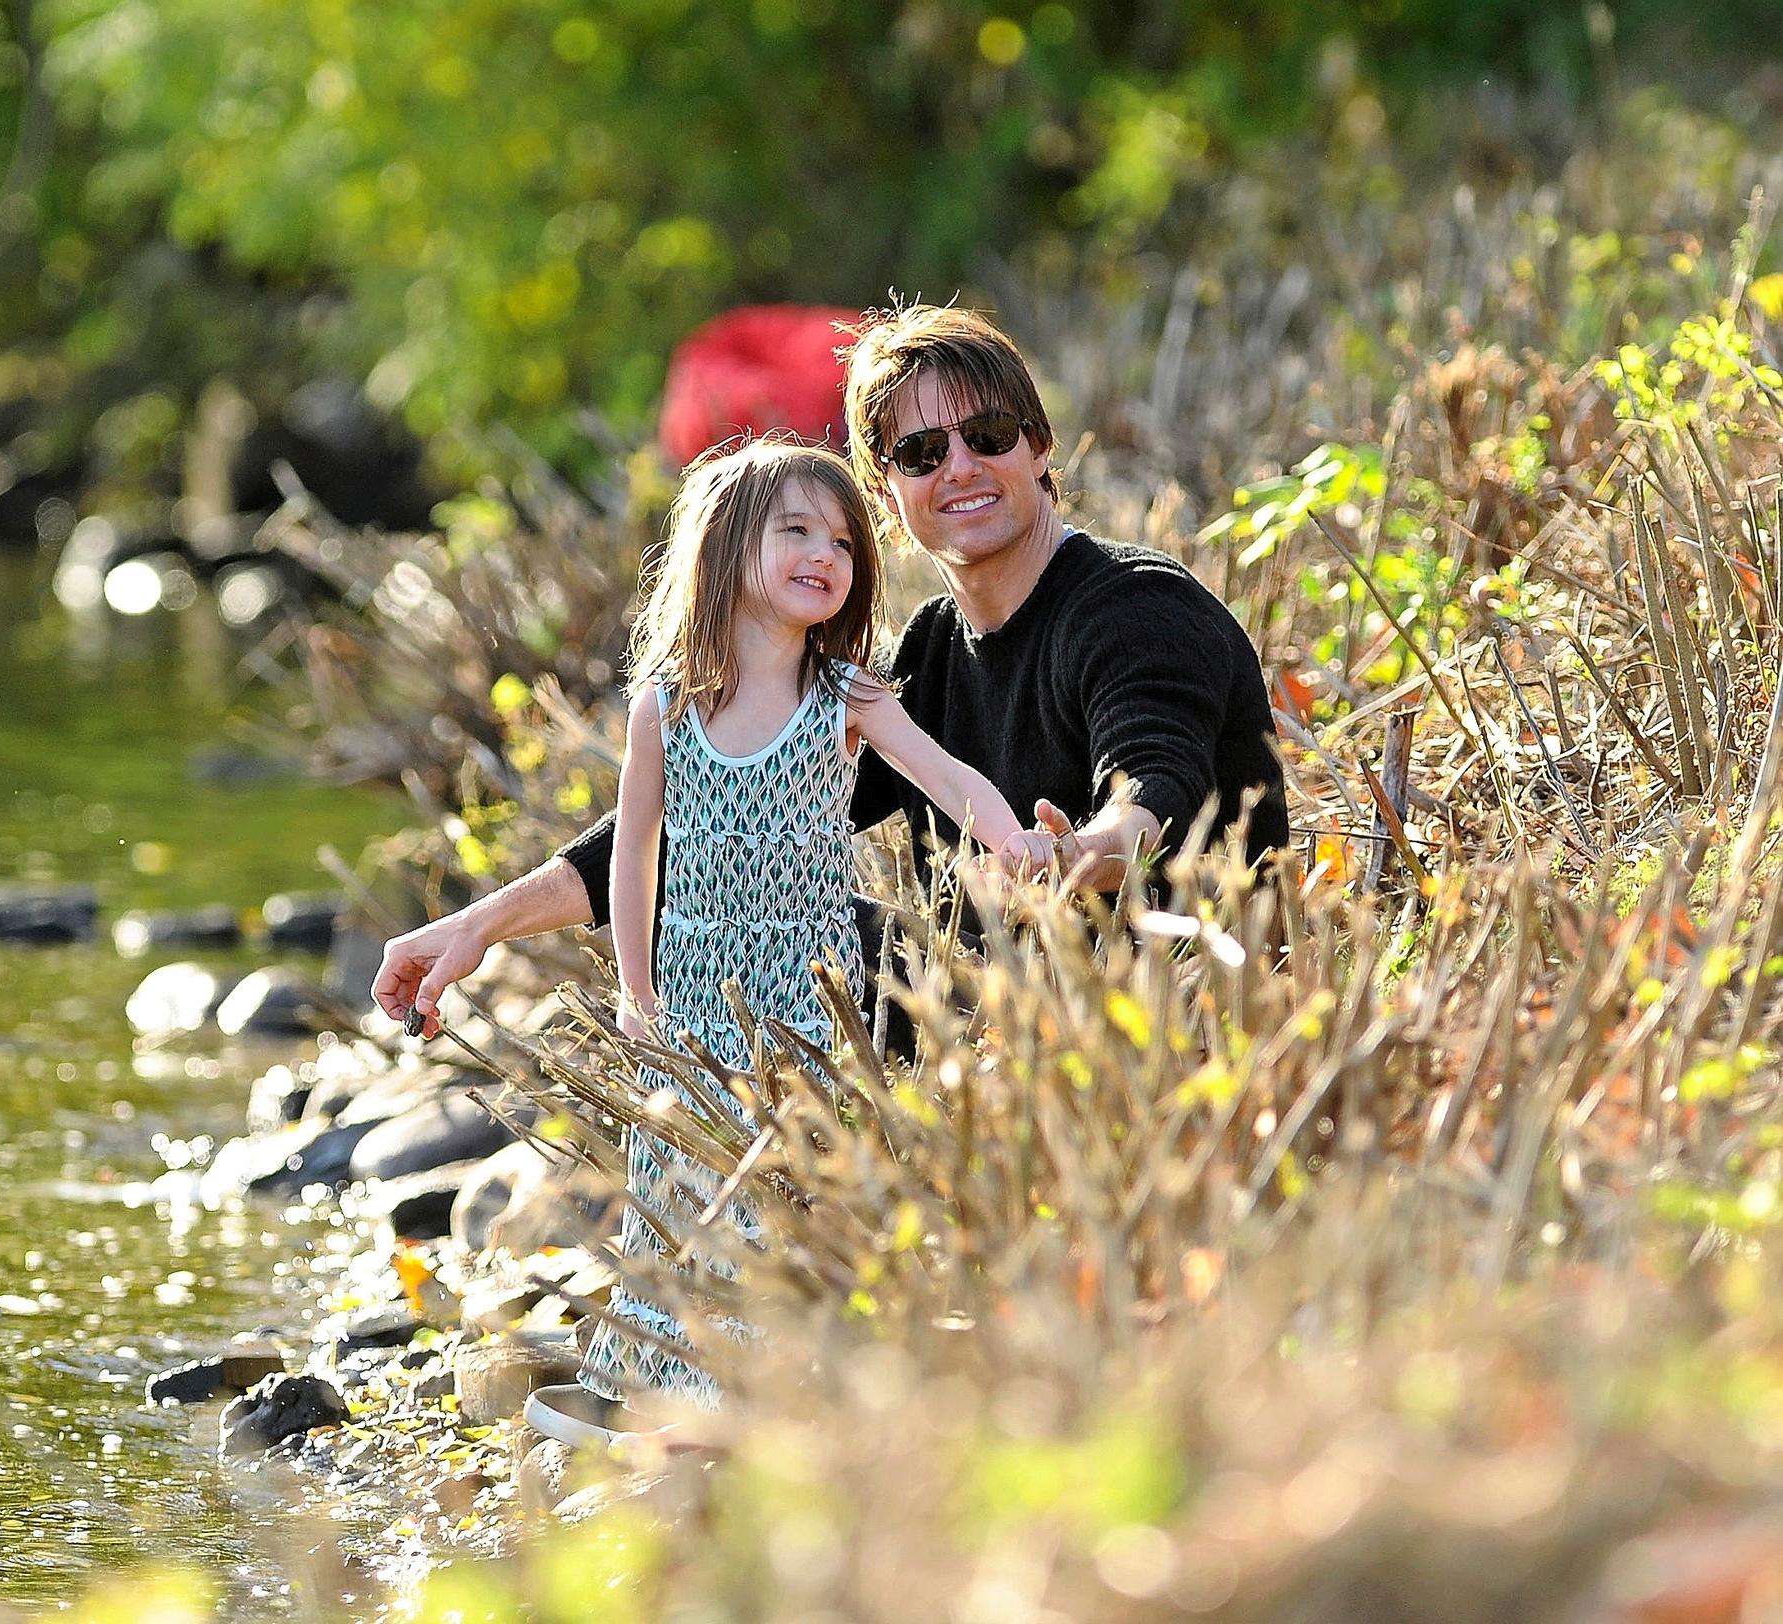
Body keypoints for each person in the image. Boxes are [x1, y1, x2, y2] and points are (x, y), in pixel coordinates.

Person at [371, 300, 1289, 1044]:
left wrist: (1071, 856)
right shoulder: (930, 652)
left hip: (1170, 1013)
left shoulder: (1135, 608)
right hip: (997, 1008)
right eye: (921, 453)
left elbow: (1157, 787)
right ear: (884, 494)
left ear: (1040, 447)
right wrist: (481, 923)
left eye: (989, 433)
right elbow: (694, 819)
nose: (960, 466)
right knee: (740, 913)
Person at [580, 438, 1023, 1405]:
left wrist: (1015, 840)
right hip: (694, 990)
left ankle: (765, 1392)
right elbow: (633, 851)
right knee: (683, 1191)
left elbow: (945, 776)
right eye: (796, 532)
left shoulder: (844, 696)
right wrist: (635, 992)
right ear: (728, 546)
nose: (826, 554)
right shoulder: (666, 705)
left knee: (782, 1184)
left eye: (843, 543)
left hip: (806, 990)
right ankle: (668, 1393)